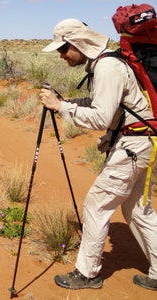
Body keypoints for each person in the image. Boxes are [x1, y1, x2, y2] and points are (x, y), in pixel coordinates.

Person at [39, 18, 157, 291]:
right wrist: (65, 103)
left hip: (133, 146)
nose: (61, 55)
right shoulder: (105, 64)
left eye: (63, 48)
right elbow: (105, 105)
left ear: (79, 43)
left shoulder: (107, 67)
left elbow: (101, 116)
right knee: (137, 209)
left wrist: (61, 108)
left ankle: (87, 273)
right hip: (139, 143)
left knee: (97, 204)